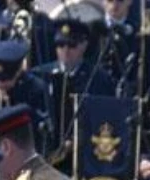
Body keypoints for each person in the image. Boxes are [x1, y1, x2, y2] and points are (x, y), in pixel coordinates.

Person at [34, 18, 114, 171]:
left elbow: (103, 116)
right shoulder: (40, 74)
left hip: (83, 156)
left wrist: (74, 141)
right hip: (45, 153)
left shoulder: (98, 78)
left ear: (84, 45)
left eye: (71, 45)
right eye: (60, 45)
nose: (65, 50)